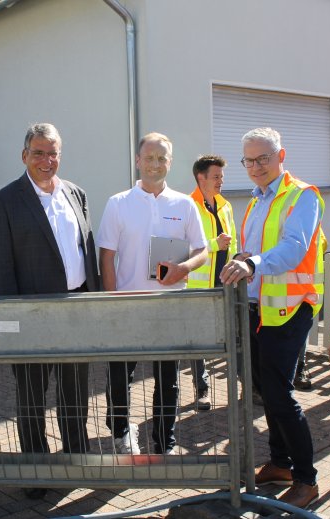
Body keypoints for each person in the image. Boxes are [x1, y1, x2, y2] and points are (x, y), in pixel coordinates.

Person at [0, 123, 100, 500]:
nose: (47, 161)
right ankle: (36, 467)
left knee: (75, 390)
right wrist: (11, 324)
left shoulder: (76, 193)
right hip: (31, 314)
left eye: (53, 153)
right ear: (24, 155)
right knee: (32, 395)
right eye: (39, 153)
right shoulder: (3, 200)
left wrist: (94, 304)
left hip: (77, 308)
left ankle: (77, 456)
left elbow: (88, 252)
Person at [220, 127, 323, 509]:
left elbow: (293, 249)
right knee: (264, 389)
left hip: (290, 310)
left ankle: (306, 479)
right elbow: (251, 250)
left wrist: (252, 263)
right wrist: (238, 264)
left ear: (281, 156)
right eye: (249, 160)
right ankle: (280, 464)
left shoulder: (303, 196)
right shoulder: (256, 200)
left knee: (280, 393)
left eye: (263, 158)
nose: (256, 166)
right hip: (257, 309)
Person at [98, 132, 207, 455]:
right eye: (149, 158)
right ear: (138, 160)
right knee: (120, 377)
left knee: (167, 378)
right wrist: (112, 301)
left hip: (168, 306)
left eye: (162, 159)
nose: (155, 164)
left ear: (170, 163)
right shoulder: (119, 203)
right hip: (127, 305)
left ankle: (164, 440)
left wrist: (183, 268)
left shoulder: (184, 204)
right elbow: (106, 256)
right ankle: (120, 432)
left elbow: (202, 250)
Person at [186, 154, 237, 410]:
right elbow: (182, 249)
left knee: (231, 336)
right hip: (197, 288)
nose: (220, 181)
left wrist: (238, 262)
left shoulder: (225, 206)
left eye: (221, 176)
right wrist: (215, 245)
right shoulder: (187, 206)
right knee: (199, 341)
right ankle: (202, 389)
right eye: (216, 176)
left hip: (224, 282)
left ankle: (245, 388)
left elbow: (234, 242)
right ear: (201, 177)